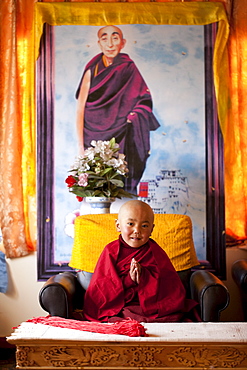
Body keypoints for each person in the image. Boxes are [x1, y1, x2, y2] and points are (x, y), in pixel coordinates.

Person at [83, 200, 200, 323]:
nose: (137, 230)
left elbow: (169, 286)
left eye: (144, 226)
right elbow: (103, 287)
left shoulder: (156, 251)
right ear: (118, 225)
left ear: (152, 229)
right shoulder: (110, 251)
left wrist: (145, 277)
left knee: (170, 316)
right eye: (130, 224)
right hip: (122, 304)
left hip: (151, 305)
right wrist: (129, 279)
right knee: (126, 316)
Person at [75, 26, 160, 194]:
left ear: (123, 43)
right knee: (97, 187)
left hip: (123, 135)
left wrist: (134, 116)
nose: (110, 44)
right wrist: (80, 147)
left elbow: (144, 100)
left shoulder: (129, 67)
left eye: (115, 38)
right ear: (99, 43)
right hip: (93, 135)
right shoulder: (92, 69)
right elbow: (80, 109)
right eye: (104, 39)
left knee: (122, 186)